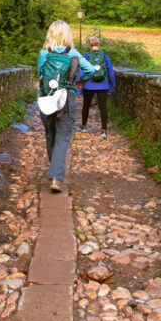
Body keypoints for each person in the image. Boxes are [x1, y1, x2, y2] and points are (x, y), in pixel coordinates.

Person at [38, 20, 94, 192]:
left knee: (50, 134)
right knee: (62, 136)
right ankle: (56, 177)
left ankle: (54, 170)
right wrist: (78, 82)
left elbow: (41, 74)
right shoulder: (73, 53)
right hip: (66, 98)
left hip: (46, 96)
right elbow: (91, 69)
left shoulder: (43, 53)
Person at [78, 35, 115, 137]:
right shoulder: (104, 55)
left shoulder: (86, 56)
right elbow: (110, 71)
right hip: (103, 85)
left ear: (90, 45)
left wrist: (78, 89)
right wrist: (111, 87)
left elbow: (81, 72)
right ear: (98, 44)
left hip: (89, 85)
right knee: (103, 107)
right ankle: (104, 131)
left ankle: (84, 127)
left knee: (86, 105)